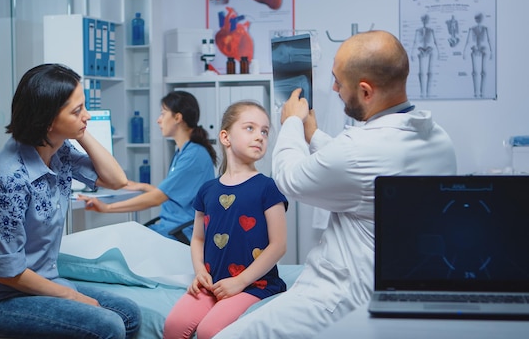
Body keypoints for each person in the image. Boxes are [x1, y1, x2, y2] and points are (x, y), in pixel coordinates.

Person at [214, 30, 457, 338]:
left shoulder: (358, 150)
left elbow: (291, 180)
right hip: (393, 285)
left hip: (338, 297)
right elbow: (360, 164)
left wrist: (290, 121)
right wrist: (313, 135)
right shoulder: (437, 139)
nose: (334, 88)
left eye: (339, 82)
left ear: (366, 92)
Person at [0, 63, 141, 339]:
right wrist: (73, 296)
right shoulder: (7, 179)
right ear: (47, 121)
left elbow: (116, 180)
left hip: (42, 282)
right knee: (109, 326)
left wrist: (81, 130)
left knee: (129, 315)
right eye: (77, 110)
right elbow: (10, 274)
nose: (87, 115)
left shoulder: (59, 151)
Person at [163, 101, 288, 339]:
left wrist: (239, 282)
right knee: (174, 325)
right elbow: (198, 238)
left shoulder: (267, 187)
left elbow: (279, 245)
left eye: (264, 131)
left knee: (210, 330)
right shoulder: (207, 190)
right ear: (225, 137)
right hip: (212, 284)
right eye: (250, 128)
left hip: (255, 285)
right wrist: (199, 272)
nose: (260, 136)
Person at [78, 91, 217, 242]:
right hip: (172, 227)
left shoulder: (194, 155)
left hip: (182, 231)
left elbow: (158, 198)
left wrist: (107, 208)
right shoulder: (185, 151)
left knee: (116, 241)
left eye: (163, 114)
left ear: (177, 117)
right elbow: (174, 193)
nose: (158, 120)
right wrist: (140, 186)